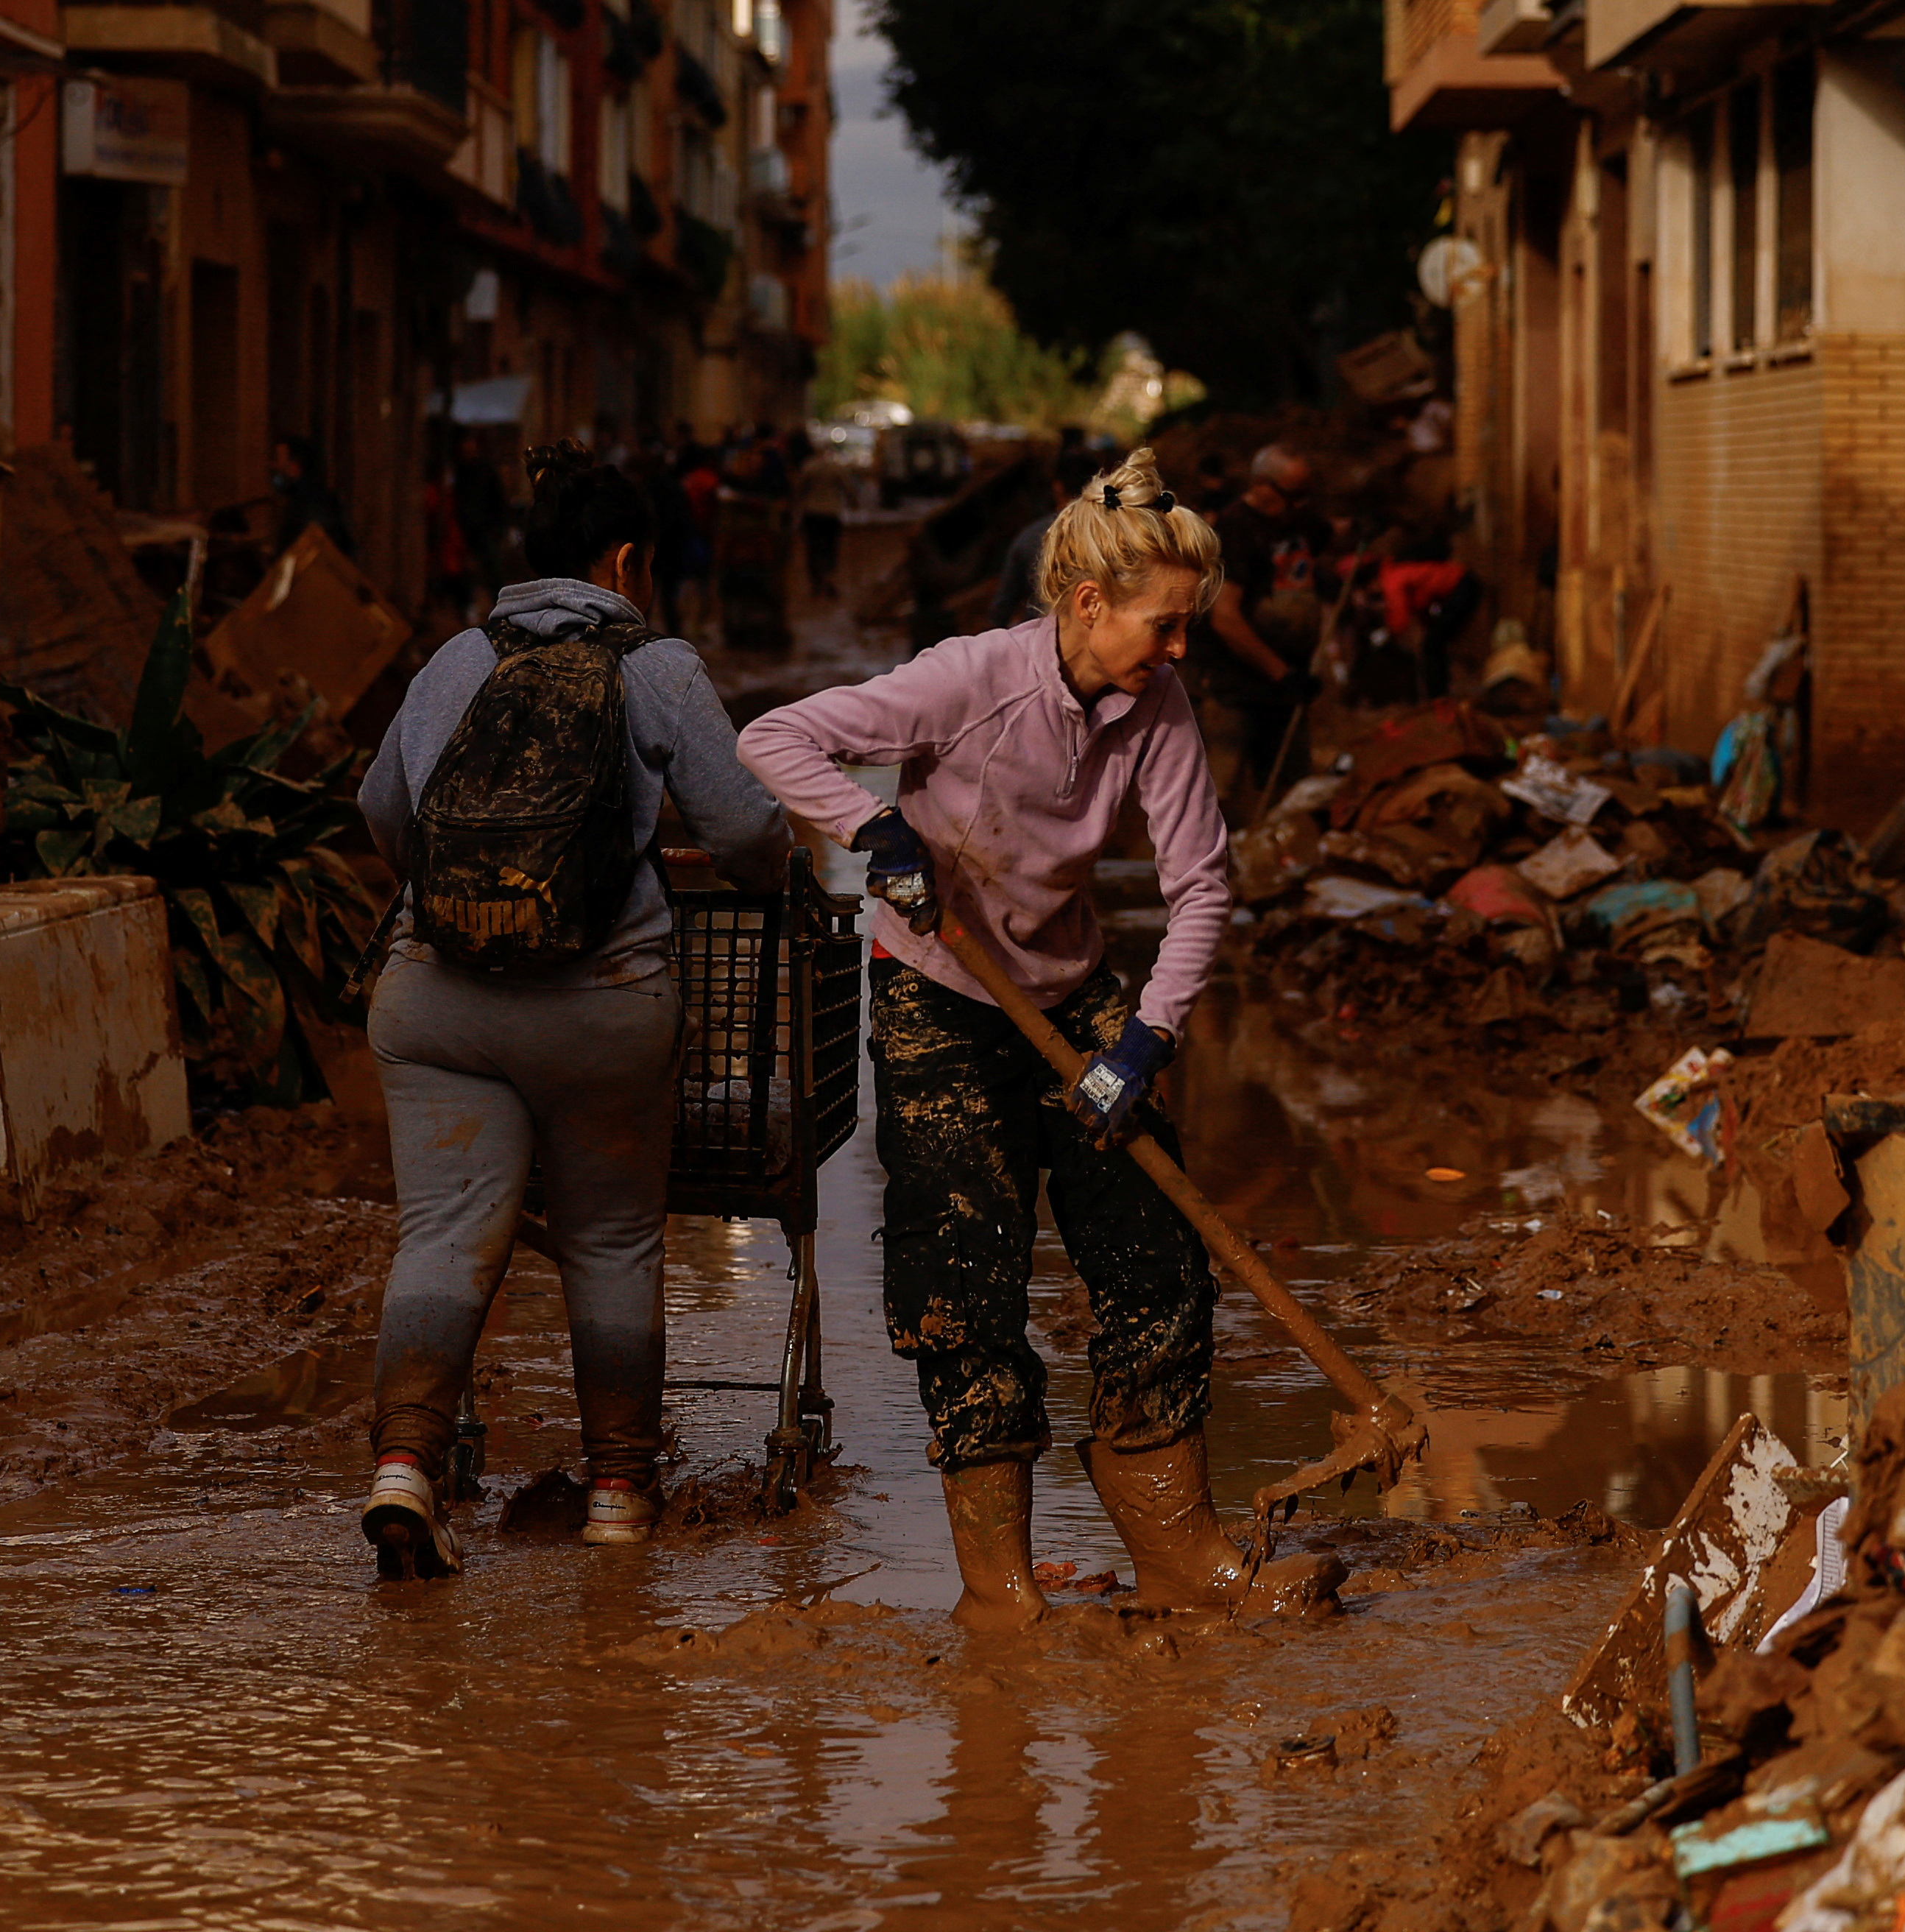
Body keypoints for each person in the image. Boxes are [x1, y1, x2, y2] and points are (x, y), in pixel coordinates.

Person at [738, 451, 1259, 1631]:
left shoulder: (1156, 707)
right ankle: (1001, 1592)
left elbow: (1203, 884)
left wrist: (1149, 1040)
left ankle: (1180, 1554)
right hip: (937, 992)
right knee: (967, 1281)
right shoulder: (967, 680)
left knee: (1155, 1254)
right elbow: (777, 738)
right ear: (1088, 604)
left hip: (1071, 993)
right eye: (1164, 628)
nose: (1178, 653)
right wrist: (877, 827)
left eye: (1187, 632)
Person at [352, 442, 793, 1579]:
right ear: (628, 558)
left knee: (445, 1232)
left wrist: (464, 902)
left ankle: (405, 1464)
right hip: (603, 1009)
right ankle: (615, 1497)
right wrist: (768, 876)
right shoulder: (661, 668)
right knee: (609, 1240)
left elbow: (383, 812)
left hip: (438, 997)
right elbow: (745, 831)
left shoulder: (452, 660)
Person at [1192, 443, 1326, 806]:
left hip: (1285, 690)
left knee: (1292, 790)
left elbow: (1329, 537)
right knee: (1220, 792)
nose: (1300, 504)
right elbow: (1226, 618)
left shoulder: (1295, 521)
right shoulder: (1235, 530)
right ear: (1263, 486)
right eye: (1292, 495)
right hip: (1237, 684)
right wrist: (1281, 672)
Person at [791, 437, 853, 602]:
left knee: (813, 548)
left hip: (812, 513)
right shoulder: (835, 468)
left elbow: (799, 490)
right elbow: (848, 488)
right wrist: (853, 503)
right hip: (831, 512)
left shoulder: (808, 467)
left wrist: (795, 507)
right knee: (830, 547)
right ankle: (828, 577)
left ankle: (817, 582)